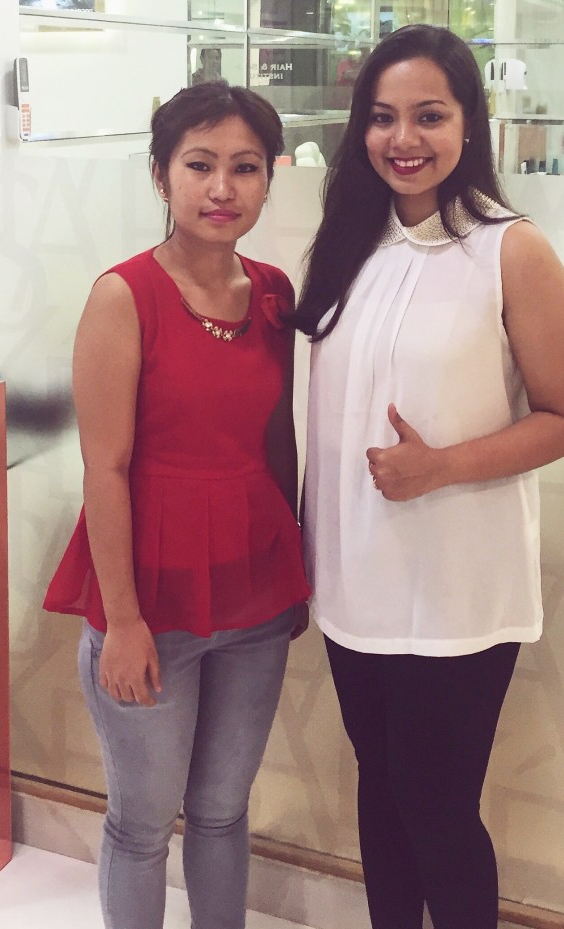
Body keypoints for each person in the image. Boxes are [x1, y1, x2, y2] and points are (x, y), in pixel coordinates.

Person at [294, 24, 564, 929]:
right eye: (381, 118)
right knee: (380, 792)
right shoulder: (348, 243)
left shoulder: (509, 249)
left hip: (455, 588)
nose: (402, 139)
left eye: (428, 116)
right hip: (354, 583)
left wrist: (438, 466)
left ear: (467, 123)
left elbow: (559, 414)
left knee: (437, 810)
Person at [43, 81, 310, 929]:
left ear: (269, 178)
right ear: (161, 176)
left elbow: (278, 443)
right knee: (142, 823)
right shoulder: (123, 296)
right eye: (199, 165)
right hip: (150, 601)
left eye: (244, 167)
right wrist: (122, 621)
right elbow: (106, 468)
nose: (221, 188)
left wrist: (294, 570)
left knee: (225, 812)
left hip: (255, 594)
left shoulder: (272, 294)